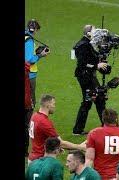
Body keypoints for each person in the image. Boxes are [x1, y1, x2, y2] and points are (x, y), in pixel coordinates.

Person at [28, 94, 86, 165]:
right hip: (41, 162)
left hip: (32, 158)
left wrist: (54, 146)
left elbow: (40, 136)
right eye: (53, 104)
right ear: (48, 106)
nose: (54, 106)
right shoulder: (44, 122)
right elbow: (61, 143)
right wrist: (80, 147)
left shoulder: (35, 116)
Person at [72, 24, 109, 135]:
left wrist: (101, 55)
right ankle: (105, 126)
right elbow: (82, 64)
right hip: (86, 77)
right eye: (94, 31)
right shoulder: (83, 45)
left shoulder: (88, 44)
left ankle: (79, 129)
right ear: (88, 33)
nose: (96, 34)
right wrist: (96, 66)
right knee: (92, 100)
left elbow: (93, 56)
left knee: (96, 99)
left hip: (88, 76)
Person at [85, 108, 119, 179]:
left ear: (103, 120)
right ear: (116, 120)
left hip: (100, 176)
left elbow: (89, 160)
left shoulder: (94, 134)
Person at [25, 19, 49, 157]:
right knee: (30, 102)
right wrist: (40, 55)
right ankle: (29, 127)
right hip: (29, 75)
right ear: (36, 29)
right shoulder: (29, 40)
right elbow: (29, 59)